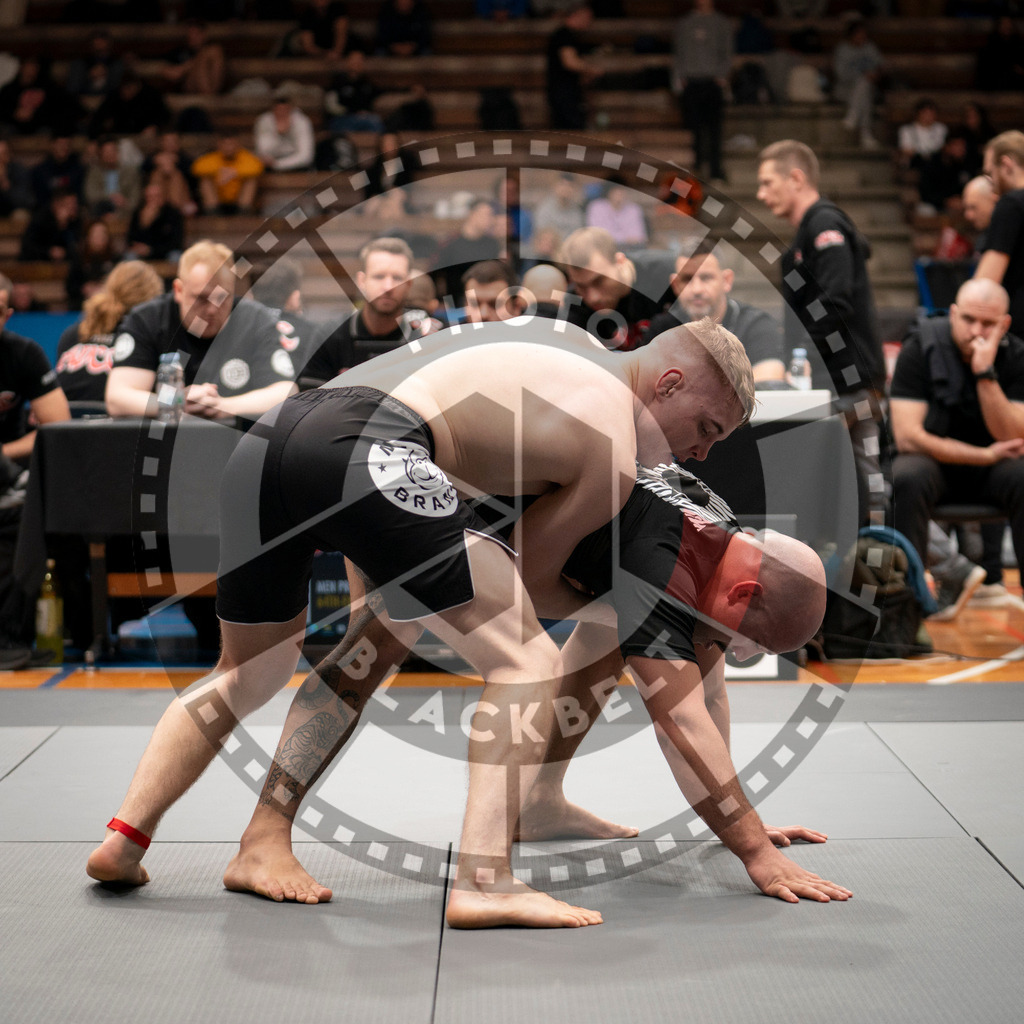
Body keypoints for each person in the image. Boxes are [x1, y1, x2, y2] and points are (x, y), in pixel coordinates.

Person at [86, 318, 795, 928]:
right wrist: (607, 605)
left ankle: (134, 839)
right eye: (706, 429)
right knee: (524, 661)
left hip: (276, 440)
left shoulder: (567, 345)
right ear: (667, 384)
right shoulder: (610, 446)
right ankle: (485, 882)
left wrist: (406, 585)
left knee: (252, 668)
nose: (702, 452)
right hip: (375, 447)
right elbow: (522, 579)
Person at [206, 454, 848, 911]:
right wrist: (756, 853)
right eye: (749, 639)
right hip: (424, 505)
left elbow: (705, 689)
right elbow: (681, 722)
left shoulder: (713, 525)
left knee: (612, 626)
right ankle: (264, 834)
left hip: (471, 502)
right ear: (747, 590)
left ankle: (539, 800)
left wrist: (743, 824)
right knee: (367, 656)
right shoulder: (661, 573)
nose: (735, 652)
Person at [756, 139, 887, 527]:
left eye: (767, 183)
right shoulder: (804, 236)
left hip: (848, 379)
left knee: (863, 475)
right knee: (848, 474)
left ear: (796, 178)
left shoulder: (825, 224)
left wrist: (803, 367)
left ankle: (878, 562)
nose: (761, 195)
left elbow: (835, 304)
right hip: (830, 380)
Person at [890, 279, 1024, 601]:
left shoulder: (1016, 356)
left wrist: (985, 373)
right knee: (906, 475)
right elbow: (908, 437)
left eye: (988, 323)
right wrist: (984, 455)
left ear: (1004, 323)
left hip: (995, 470)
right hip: (936, 465)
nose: (977, 330)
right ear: (953, 314)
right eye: (968, 319)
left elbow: (1014, 436)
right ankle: (907, 607)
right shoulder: (918, 349)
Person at [105, 240, 299, 421]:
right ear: (178, 290)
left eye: (222, 297)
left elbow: (286, 392)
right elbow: (118, 397)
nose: (213, 309)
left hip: (233, 446)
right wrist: (176, 402)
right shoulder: (148, 319)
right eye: (201, 298)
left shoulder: (255, 319)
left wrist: (222, 406)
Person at [0, 271, 71, 669]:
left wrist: (4, 454)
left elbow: (56, 427)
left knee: (31, 517)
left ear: (8, 313)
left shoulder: (22, 353)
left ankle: (9, 636)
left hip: (8, 473)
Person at [644, 245, 785, 386]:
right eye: (687, 279)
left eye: (706, 278)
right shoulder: (662, 329)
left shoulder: (756, 325)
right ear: (675, 285)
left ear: (726, 280)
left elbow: (768, 386)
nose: (696, 289)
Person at [300, 236, 431, 383]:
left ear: (408, 285)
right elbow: (309, 400)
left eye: (397, 278)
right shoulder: (330, 336)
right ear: (362, 281)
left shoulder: (426, 339)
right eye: (379, 277)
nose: (388, 287)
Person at [56, 260, 164, 403]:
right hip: (114, 422)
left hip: (64, 423)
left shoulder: (73, 333)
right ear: (153, 299)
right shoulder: (143, 338)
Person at [558, 226, 675, 350]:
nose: (593, 298)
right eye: (581, 286)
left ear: (620, 261)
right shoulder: (576, 301)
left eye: (599, 281)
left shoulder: (668, 275)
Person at [672, 0, 732, 183]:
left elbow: (728, 51)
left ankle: (715, 169)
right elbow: (678, 53)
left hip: (713, 81)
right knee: (693, 128)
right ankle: (695, 168)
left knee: (714, 128)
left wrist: (722, 74)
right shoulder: (684, 23)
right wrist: (679, 78)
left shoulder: (722, 23)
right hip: (691, 81)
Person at [976, 130, 1024, 335]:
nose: (992, 185)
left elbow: (985, 285)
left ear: (1006, 165)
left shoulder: (1012, 204)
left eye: (990, 173)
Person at [430, 199, 502, 304]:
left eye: (492, 215)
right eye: (487, 215)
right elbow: (436, 274)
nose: (491, 220)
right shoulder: (450, 243)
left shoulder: (493, 244)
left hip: (484, 300)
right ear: (472, 214)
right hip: (456, 302)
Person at [545, 2, 598, 131]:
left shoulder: (571, 36)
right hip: (563, 93)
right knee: (571, 132)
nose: (589, 22)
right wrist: (592, 70)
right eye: (587, 17)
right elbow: (569, 62)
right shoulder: (564, 35)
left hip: (569, 91)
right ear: (576, 15)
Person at [832, 19, 883, 150]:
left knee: (864, 88)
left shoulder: (870, 47)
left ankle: (853, 116)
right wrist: (861, 75)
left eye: (864, 34)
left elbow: (880, 68)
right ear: (851, 35)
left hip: (867, 90)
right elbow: (841, 75)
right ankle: (866, 135)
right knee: (863, 91)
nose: (862, 37)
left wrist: (874, 75)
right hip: (845, 90)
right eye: (858, 34)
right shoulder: (842, 50)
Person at [191, 132, 264, 215]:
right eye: (226, 144)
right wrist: (220, 172)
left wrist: (234, 172)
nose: (229, 148)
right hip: (217, 201)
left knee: (251, 180)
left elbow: (257, 167)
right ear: (219, 145)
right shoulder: (212, 157)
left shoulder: (245, 156)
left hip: (239, 201)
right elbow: (196, 167)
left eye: (231, 144)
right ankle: (212, 213)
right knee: (205, 180)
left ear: (238, 144)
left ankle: (244, 213)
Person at [87, 71, 170, 139]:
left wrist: (154, 126)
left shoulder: (152, 95)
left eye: (129, 89)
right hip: (119, 135)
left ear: (137, 86)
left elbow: (164, 116)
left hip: (145, 136)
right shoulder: (115, 96)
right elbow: (98, 117)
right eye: (123, 89)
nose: (125, 93)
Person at [254, 85, 316, 172]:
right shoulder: (264, 121)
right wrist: (279, 134)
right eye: (278, 110)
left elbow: (306, 156)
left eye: (285, 110)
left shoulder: (302, 121)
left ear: (291, 109)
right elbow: (263, 151)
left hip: (297, 166)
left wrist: (278, 164)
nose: (281, 113)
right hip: (270, 165)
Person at [160, 19, 226, 96]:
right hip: (188, 87)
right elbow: (171, 73)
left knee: (215, 50)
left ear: (204, 34)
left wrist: (188, 66)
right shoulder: (180, 52)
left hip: (212, 86)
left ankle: (210, 95)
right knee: (204, 59)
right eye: (191, 33)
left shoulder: (212, 51)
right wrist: (191, 66)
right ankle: (210, 96)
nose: (193, 37)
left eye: (197, 34)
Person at [324, 49, 383, 134]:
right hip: (341, 119)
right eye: (354, 60)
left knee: (374, 121)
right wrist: (352, 112)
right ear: (347, 61)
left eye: (360, 60)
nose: (356, 63)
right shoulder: (337, 82)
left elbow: (378, 94)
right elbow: (331, 105)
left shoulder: (367, 84)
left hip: (364, 119)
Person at [65, 218, 119, 310]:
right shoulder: (79, 258)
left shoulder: (115, 259)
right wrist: (84, 288)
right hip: (82, 306)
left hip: (110, 306)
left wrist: (105, 288)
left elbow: (121, 285)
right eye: (96, 234)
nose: (99, 237)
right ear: (88, 237)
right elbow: (70, 286)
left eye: (103, 234)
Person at [82, 136, 142, 218]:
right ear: (100, 154)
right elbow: (91, 195)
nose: (110, 154)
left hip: (125, 212)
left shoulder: (130, 172)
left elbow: (135, 198)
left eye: (113, 150)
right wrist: (112, 197)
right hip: (100, 212)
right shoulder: (94, 172)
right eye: (106, 151)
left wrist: (125, 204)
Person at [126, 180, 185, 262]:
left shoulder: (173, 213)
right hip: (143, 253)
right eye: (150, 196)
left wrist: (152, 250)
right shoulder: (138, 213)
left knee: (176, 256)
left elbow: (176, 242)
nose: (153, 200)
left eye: (157, 196)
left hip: (166, 252)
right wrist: (144, 223)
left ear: (163, 196)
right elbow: (131, 239)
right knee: (130, 256)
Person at [19, 188, 81, 262]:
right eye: (68, 205)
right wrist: (49, 252)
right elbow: (28, 247)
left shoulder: (76, 221)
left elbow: (76, 248)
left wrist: (63, 226)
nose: (73, 208)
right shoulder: (41, 219)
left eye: (74, 204)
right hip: (37, 264)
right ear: (56, 205)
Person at [585, 178, 648, 248]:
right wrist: (626, 239)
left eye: (622, 190)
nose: (619, 193)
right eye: (616, 190)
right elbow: (598, 236)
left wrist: (620, 239)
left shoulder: (634, 209)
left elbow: (639, 237)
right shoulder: (596, 207)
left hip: (632, 250)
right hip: (604, 249)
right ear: (609, 192)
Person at [65, 28, 124, 98]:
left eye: (102, 40)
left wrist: (106, 73)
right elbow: (72, 88)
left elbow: (119, 88)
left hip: (109, 101)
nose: (99, 44)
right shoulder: (80, 63)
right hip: (83, 99)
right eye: (96, 41)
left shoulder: (117, 64)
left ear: (109, 42)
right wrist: (88, 75)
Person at [30, 135, 83, 208]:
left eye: (67, 144)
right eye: (60, 144)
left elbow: (80, 195)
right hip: (46, 209)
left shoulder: (78, 170)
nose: (64, 147)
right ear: (52, 145)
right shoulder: (40, 171)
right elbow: (38, 197)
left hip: (72, 209)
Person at [532, 173, 585, 246]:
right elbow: (541, 235)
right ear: (555, 186)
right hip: (548, 249)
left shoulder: (577, 211)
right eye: (562, 184)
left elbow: (578, 236)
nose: (565, 188)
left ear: (575, 189)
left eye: (570, 185)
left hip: (569, 249)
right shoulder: (544, 208)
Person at [898, 99, 947, 171]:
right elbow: (906, 150)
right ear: (918, 114)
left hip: (936, 160)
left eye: (931, 114)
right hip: (916, 161)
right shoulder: (907, 130)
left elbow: (942, 147)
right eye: (925, 114)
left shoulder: (941, 128)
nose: (928, 117)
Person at [0, 137, 33, 220]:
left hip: (12, 208)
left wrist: (5, 184)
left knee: (21, 215)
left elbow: (22, 200)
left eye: (3, 154)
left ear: (9, 154)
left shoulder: (19, 171)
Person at [963, 175, 997, 249]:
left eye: (973, 207)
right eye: (966, 208)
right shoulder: (982, 240)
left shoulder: (1007, 236)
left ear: (993, 200)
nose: (968, 215)